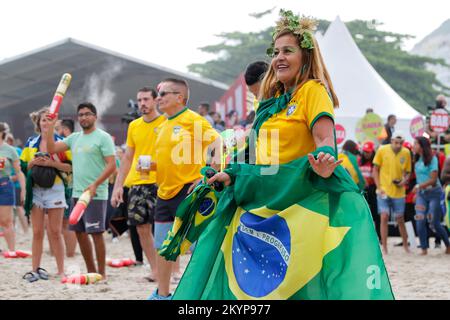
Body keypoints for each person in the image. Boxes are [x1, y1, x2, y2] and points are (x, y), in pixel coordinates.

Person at [177, 10, 393, 300]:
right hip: (259, 199)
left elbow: (324, 136)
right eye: (275, 51)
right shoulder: (271, 104)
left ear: (305, 55)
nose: (278, 57)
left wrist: (326, 157)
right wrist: (227, 172)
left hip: (296, 200)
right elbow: (254, 148)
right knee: (242, 284)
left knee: (294, 288)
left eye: (288, 51)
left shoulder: (312, 91)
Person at [148, 78, 221, 300]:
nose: (158, 98)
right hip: (163, 193)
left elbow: (218, 144)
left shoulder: (193, 120)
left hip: (187, 192)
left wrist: (208, 176)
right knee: (162, 246)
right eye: (158, 94)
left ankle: (200, 294)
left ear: (179, 97)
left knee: (196, 247)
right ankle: (162, 295)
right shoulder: (162, 125)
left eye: (163, 94)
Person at [45, 102, 116, 279]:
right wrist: (50, 128)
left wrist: (95, 185)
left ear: (95, 117)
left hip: (96, 194)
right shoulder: (74, 138)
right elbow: (51, 149)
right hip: (77, 193)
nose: (84, 117)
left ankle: (102, 273)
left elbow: (112, 166)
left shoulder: (103, 137)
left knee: (96, 233)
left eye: (88, 114)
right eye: (81, 114)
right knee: (80, 233)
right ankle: (91, 271)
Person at [111, 87, 165, 283]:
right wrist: (118, 186)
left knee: (164, 228)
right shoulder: (134, 125)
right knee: (140, 227)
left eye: (146, 99)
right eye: (139, 100)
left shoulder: (167, 122)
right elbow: (127, 158)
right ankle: (155, 270)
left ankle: (171, 270)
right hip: (137, 182)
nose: (142, 103)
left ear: (155, 100)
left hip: (162, 182)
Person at [20, 108, 72, 282]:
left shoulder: (62, 143)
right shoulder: (31, 142)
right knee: (37, 232)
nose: (46, 123)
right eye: (43, 120)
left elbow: (70, 167)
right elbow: (23, 168)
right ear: (38, 123)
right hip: (35, 190)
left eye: (49, 120)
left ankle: (61, 270)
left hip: (55, 189)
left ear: (54, 123)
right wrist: (33, 163)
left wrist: (51, 163)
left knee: (55, 232)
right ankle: (35, 269)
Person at [373, 131, 411, 254]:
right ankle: (384, 248)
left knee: (400, 219)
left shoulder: (406, 152)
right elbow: (375, 169)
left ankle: (406, 246)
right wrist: (378, 187)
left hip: (399, 191)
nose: (398, 145)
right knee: (384, 217)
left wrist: (403, 181)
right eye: (396, 142)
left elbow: (408, 172)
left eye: (400, 143)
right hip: (384, 190)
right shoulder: (382, 150)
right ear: (391, 141)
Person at [412, 136, 450, 255]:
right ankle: (424, 248)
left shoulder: (433, 159)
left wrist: (418, 187)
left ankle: (448, 245)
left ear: (422, 146)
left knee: (434, 221)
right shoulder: (416, 160)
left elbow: (433, 180)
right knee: (420, 219)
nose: (414, 146)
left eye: (416, 144)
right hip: (422, 195)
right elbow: (417, 178)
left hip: (434, 193)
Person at [53, 118, 77, 257]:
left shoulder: (67, 144)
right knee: (64, 223)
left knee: (67, 222)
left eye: (57, 129)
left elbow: (70, 167)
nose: (55, 132)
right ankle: (68, 252)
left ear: (66, 130)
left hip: (69, 185)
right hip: (68, 185)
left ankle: (70, 253)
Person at [0, 123, 25, 253]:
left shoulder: (10, 150)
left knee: (6, 220)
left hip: (5, 186)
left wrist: (24, 190)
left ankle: (11, 250)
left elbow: (19, 172)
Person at [5, 133, 28, 235]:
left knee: (19, 207)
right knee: (11, 209)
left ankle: (26, 230)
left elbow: (20, 170)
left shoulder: (15, 151)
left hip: (16, 185)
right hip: (8, 185)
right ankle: (15, 229)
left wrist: (13, 177)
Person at [359, 141, 380, 240]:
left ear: (372, 152)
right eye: (365, 152)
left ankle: (378, 236)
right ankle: (364, 235)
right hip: (361, 190)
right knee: (363, 214)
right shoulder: (359, 161)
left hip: (373, 189)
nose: (367, 154)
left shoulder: (375, 162)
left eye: (368, 152)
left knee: (376, 213)